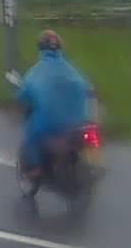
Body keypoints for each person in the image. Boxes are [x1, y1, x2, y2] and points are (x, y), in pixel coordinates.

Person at [16, 29, 93, 180]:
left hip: (51, 122)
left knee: (32, 131)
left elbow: (24, 94)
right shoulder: (71, 69)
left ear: (40, 48)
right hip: (79, 120)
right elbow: (86, 87)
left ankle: (36, 168)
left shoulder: (36, 71)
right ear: (60, 47)